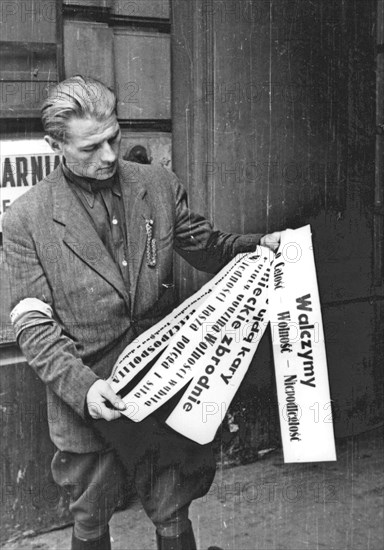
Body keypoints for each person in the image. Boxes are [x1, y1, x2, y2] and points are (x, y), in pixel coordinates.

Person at [3, 76, 281, 550]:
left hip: (165, 382)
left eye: (114, 137)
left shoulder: (157, 185)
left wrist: (262, 247)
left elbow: (209, 246)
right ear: (55, 146)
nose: (110, 155)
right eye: (92, 146)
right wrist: (85, 389)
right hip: (89, 392)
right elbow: (33, 325)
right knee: (91, 512)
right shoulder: (25, 220)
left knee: (172, 503)